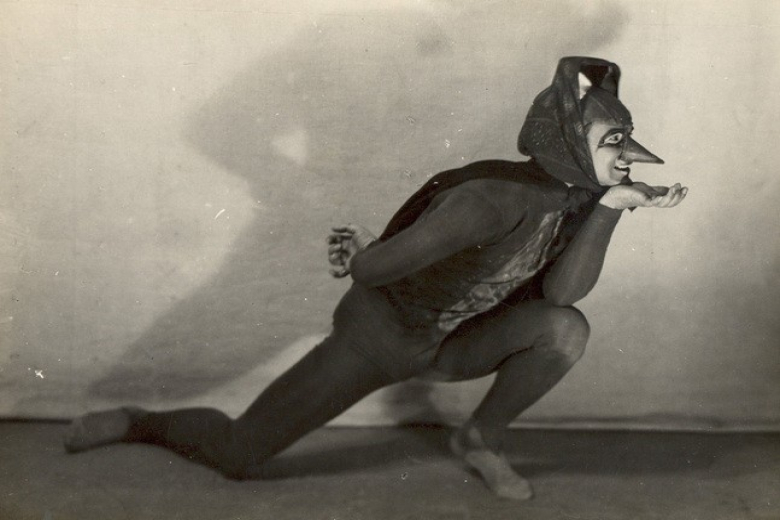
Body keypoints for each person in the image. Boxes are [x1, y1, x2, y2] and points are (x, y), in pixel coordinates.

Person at [64, 56, 687, 500]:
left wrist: (611, 208)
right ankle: (140, 421)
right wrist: (368, 249)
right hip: (379, 340)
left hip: (454, 344)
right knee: (238, 454)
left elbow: (561, 296)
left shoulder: (576, 198)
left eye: (626, 137)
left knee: (565, 329)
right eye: (615, 139)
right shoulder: (488, 201)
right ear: (568, 141)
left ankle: (480, 438)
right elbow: (369, 269)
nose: (628, 152)